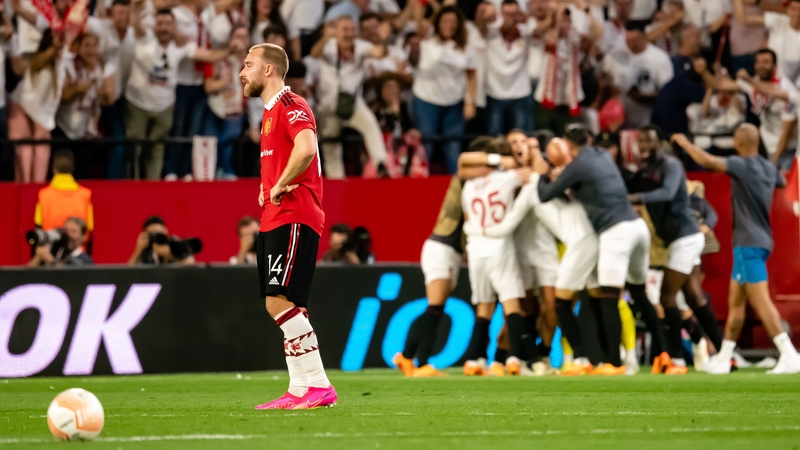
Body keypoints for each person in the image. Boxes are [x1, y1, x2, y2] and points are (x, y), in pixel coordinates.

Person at [240, 42, 336, 409]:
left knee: (277, 301)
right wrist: (267, 187)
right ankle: (299, 389)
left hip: (295, 214)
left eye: (248, 64)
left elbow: (306, 147)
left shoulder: (290, 104)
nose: (242, 72)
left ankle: (320, 385)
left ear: (268, 70)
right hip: (275, 216)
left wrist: (280, 184)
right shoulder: (268, 114)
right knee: (287, 303)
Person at [672, 124, 800, 375]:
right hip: (761, 239)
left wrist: (685, 143)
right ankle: (724, 357)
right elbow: (781, 181)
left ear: (738, 143)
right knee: (737, 303)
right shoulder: (768, 168)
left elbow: (707, 160)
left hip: (747, 242)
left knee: (761, 301)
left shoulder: (742, 165)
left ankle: (789, 354)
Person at [535, 124, 652, 375]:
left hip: (603, 235)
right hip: (629, 228)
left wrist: (542, 175)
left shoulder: (577, 167)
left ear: (568, 145)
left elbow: (545, 195)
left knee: (581, 300)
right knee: (613, 298)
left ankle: (597, 360)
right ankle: (613, 358)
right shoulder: (601, 156)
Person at [628, 125, 724, 375]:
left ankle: (677, 359)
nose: (644, 146)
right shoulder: (646, 169)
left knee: (666, 297)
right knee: (693, 298)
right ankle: (725, 354)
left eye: (649, 141)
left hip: (686, 237)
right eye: (641, 141)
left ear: (659, 143)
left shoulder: (670, 165)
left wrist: (634, 199)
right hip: (677, 239)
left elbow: (667, 192)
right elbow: (629, 183)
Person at [124, 1, 231, 180]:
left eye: (168, 24)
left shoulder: (180, 46)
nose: (164, 28)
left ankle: (154, 185)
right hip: (138, 104)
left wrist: (232, 49)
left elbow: (208, 55)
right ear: (154, 25)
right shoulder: (145, 37)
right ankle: (132, 186)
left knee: (158, 148)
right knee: (135, 148)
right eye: (160, 24)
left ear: (174, 27)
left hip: (164, 105)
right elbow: (136, 23)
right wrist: (135, 7)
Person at [163, 0, 235, 182]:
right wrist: (173, 33)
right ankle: (171, 170)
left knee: (194, 130)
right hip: (181, 80)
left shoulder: (205, 14)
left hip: (200, 80)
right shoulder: (177, 14)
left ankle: (187, 170)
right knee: (178, 128)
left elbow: (227, 3)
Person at [310, 16, 388, 178]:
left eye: (352, 29)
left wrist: (382, 39)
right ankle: (337, 181)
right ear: (336, 32)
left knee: (370, 123)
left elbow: (379, 53)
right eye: (345, 30)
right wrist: (325, 37)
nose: (349, 33)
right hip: (328, 104)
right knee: (331, 145)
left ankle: (380, 164)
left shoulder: (360, 46)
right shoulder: (329, 45)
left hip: (351, 102)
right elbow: (314, 54)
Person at [9, 28, 69, 183]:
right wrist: (55, 48)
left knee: (41, 145)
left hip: (39, 114)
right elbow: (37, 64)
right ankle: (24, 186)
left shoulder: (60, 64)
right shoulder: (39, 60)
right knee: (25, 148)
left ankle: (37, 186)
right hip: (20, 106)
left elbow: (62, 94)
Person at [55, 32, 116, 178]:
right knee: (63, 171)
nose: (91, 50)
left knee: (84, 173)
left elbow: (109, 100)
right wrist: (78, 89)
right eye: (87, 46)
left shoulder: (103, 67)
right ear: (78, 47)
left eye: (94, 46)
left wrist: (102, 94)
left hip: (87, 130)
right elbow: (63, 95)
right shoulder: (67, 64)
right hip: (64, 127)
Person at [602, 20, 673, 130]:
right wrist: (611, 90)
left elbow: (667, 94)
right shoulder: (615, 56)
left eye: (634, 41)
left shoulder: (660, 58)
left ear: (644, 37)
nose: (631, 45)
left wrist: (640, 96)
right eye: (628, 41)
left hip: (648, 122)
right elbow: (603, 80)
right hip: (619, 123)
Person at [204, 25, 249, 180]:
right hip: (215, 106)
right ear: (230, 39)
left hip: (237, 109)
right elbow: (209, 86)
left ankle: (227, 170)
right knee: (212, 141)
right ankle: (214, 171)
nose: (240, 41)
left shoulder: (252, 61)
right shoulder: (220, 58)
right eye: (237, 36)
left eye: (244, 37)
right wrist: (223, 82)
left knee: (227, 142)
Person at [484, 0, 534, 135]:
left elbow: (542, 27)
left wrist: (527, 18)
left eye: (513, 14)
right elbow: (480, 22)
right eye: (507, 14)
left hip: (520, 92)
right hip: (494, 92)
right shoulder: (490, 32)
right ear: (500, 14)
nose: (510, 19)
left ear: (519, 14)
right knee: (494, 136)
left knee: (521, 135)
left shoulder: (527, 32)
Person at [34, 150, 94, 234]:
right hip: (77, 242)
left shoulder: (43, 195)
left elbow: (38, 226)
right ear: (73, 168)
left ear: (53, 168)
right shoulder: (85, 195)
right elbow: (89, 229)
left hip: (51, 241)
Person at [28, 217, 94, 267]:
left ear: (83, 237)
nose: (68, 234)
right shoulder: (56, 252)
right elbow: (28, 275)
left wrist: (50, 259)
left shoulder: (85, 259)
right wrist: (38, 257)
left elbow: (70, 275)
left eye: (73, 231)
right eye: (66, 230)